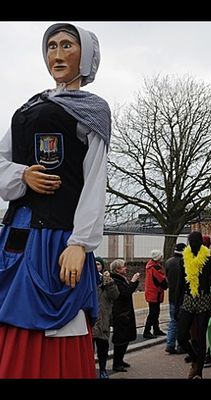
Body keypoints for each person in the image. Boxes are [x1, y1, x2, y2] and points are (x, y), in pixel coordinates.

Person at [0, 23, 111, 378]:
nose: (58, 54)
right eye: (51, 46)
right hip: (15, 236)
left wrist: (81, 242)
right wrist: (22, 175)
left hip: (57, 239)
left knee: (56, 329)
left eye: (67, 45)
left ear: (86, 56)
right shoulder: (29, 106)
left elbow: (95, 180)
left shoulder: (93, 110)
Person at [176, 231, 211, 379]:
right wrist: (177, 305)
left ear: (201, 244)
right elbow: (181, 284)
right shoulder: (184, 260)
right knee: (181, 336)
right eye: (190, 243)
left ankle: (198, 372)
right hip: (188, 299)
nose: (193, 246)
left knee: (200, 338)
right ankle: (195, 359)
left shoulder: (209, 260)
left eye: (195, 243)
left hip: (204, 299)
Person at [110, 259, 140, 372]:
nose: (125, 268)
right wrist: (133, 281)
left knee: (126, 337)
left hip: (125, 311)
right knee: (120, 338)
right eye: (123, 267)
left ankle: (120, 360)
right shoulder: (116, 281)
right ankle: (116, 363)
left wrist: (133, 282)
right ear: (117, 269)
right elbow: (125, 293)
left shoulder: (121, 279)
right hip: (120, 313)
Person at [92, 257, 119, 379]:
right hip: (91, 322)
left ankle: (103, 369)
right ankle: (90, 370)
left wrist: (109, 282)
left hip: (103, 321)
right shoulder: (88, 280)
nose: (96, 266)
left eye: (98, 264)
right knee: (88, 351)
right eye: (94, 264)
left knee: (103, 349)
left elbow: (115, 295)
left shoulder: (107, 281)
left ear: (102, 267)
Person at [164, 242, 186, 354]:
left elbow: (167, 278)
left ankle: (170, 344)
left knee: (173, 320)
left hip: (172, 295)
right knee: (182, 322)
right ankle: (181, 345)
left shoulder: (168, 262)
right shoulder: (185, 263)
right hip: (182, 296)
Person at [143, 249, 168, 339]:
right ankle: (147, 330)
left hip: (151, 292)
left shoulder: (150, 266)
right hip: (155, 293)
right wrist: (166, 285)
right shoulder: (155, 267)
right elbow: (161, 280)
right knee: (153, 313)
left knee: (155, 312)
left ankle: (156, 329)